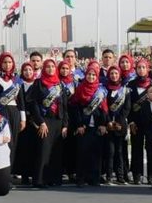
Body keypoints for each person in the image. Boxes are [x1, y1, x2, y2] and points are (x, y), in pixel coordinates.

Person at [27, 59, 67, 188]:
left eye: (52, 67)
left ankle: (54, 178)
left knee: (56, 151)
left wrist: (65, 124)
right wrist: (41, 122)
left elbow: (64, 106)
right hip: (45, 120)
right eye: (48, 67)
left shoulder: (59, 84)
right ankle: (40, 179)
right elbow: (34, 105)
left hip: (58, 121)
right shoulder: (38, 83)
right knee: (44, 150)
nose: (50, 69)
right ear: (44, 68)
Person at [68, 61, 109, 187]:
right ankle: (81, 178)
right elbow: (75, 108)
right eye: (89, 74)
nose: (91, 77)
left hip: (97, 126)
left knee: (96, 153)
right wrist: (79, 125)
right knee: (82, 153)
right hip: (83, 126)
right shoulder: (80, 89)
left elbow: (104, 109)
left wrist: (103, 124)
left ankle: (94, 178)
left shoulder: (100, 91)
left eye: (93, 75)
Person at [102, 65, 129, 185]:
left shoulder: (125, 90)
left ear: (119, 75)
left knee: (120, 152)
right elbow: (104, 107)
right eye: (112, 73)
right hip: (108, 124)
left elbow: (127, 108)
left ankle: (120, 176)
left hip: (120, 125)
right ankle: (109, 176)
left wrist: (118, 122)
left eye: (116, 73)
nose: (114, 75)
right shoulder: (104, 89)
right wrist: (108, 121)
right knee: (110, 152)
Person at [14, 62, 38, 185]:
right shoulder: (19, 85)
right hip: (23, 120)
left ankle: (34, 174)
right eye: (25, 70)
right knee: (24, 148)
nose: (28, 72)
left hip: (36, 120)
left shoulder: (37, 84)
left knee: (35, 148)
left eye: (30, 70)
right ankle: (24, 175)